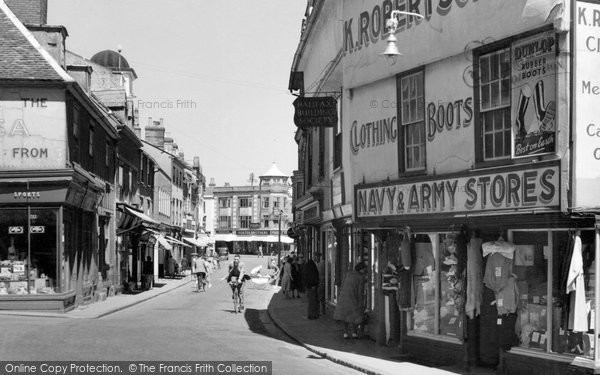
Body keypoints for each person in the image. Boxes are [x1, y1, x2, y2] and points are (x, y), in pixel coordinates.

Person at [333, 262, 367, 339]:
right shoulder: (360, 278)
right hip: (353, 298)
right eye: (364, 269)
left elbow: (343, 285)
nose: (365, 271)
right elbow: (360, 292)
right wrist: (361, 303)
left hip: (344, 297)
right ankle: (354, 332)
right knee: (356, 315)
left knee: (345, 315)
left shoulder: (349, 274)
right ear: (361, 269)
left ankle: (345, 333)